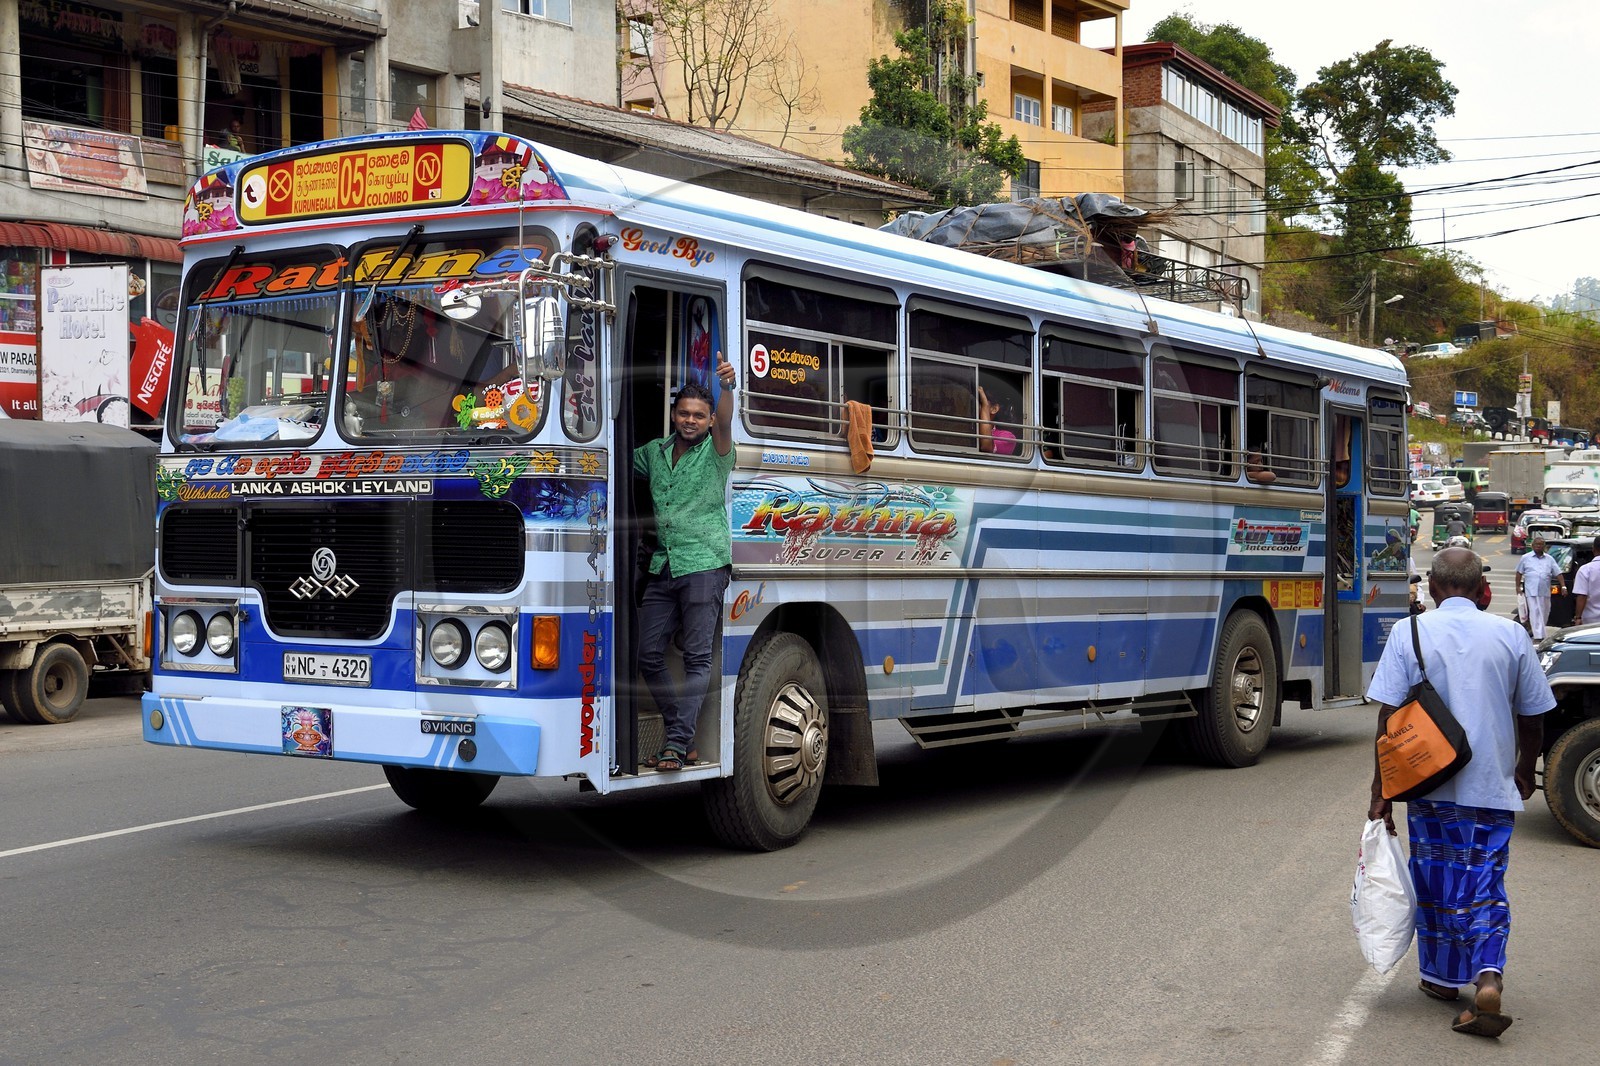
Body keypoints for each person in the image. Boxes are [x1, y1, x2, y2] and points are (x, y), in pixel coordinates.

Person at [1366, 547, 1553, 1040]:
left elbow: (1388, 719)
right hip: (1491, 787)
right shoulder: (1511, 635)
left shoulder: (1408, 631)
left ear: (1431, 587)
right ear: (1482, 589)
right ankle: (1486, 977)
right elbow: (1533, 715)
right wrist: (1524, 769)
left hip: (1428, 786)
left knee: (1437, 880)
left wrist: (1381, 790)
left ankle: (1443, 979)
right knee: (1484, 882)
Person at [632, 353, 738, 772]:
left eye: (699, 415)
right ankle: (684, 737)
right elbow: (608, 456)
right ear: (674, 415)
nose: (690, 420)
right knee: (647, 654)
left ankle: (676, 744)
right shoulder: (653, 453)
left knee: (697, 658)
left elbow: (727, 420)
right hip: (664, 565)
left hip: (705, 564)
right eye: (684, 413)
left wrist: (726, 388)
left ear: (709, 421)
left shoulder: (717, 452)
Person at [1515, 535, 1567, 638]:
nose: (1539, 546)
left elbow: (1558, 573)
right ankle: (1538, 636)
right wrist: (1517, 587)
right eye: (1537, 544)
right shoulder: (1525, 558)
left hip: (1545, 591)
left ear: (1544, 546)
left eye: (1541, 544)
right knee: (1534, 612)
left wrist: (1563, 586)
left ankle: (1541, 634)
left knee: (1544, 612)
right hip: (1531, 591)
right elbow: (1519, 572)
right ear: (1532, 545)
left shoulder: (1549, 559)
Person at [976, 385, 1017, 455]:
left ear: (994, 409)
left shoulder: (1008, 437)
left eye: (980, 403)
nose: (975, 407)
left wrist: (984, 404)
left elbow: (986, 446)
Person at [1570, 536, 1600, 626]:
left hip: (1591, 621)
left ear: (1593, 549)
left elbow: (1582, 596)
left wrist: (1578, 617)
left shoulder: (1585, 570)